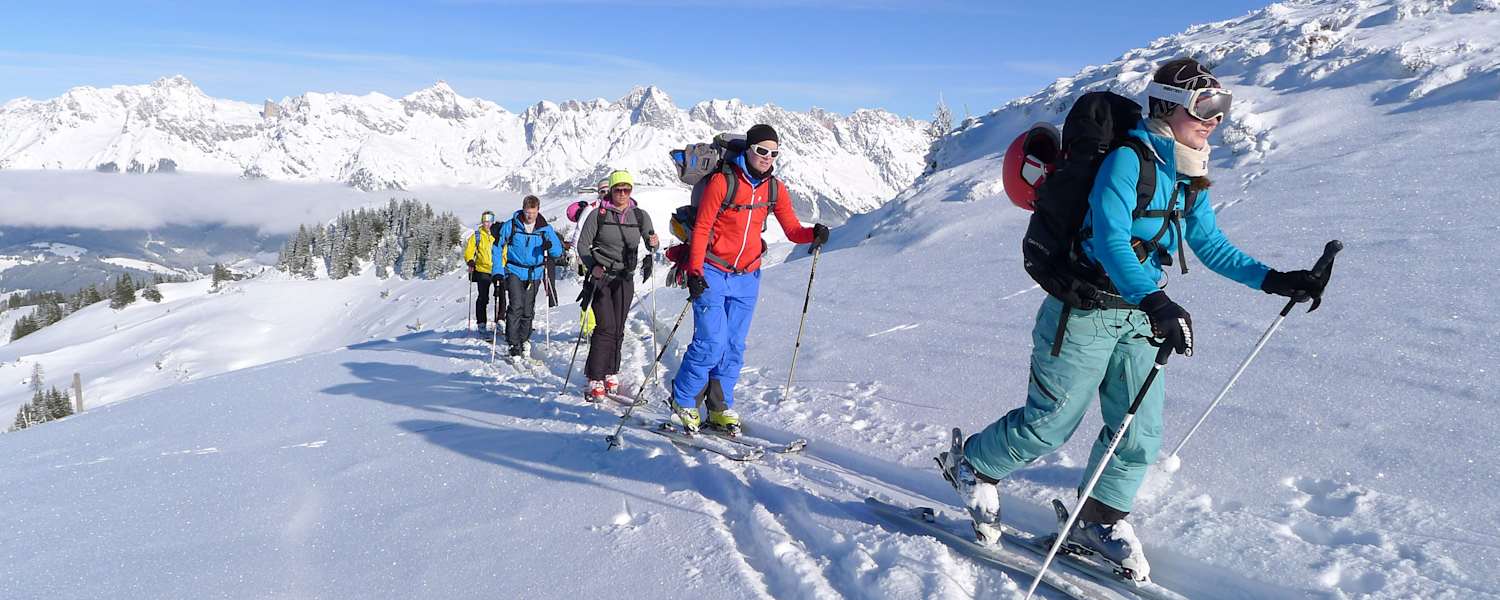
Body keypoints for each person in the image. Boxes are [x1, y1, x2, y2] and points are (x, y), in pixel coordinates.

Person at [939, 58, 1330, 581]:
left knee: (1139, 432)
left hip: (1139, 315)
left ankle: (1098, 519)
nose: (1215, 118)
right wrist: (1156, 301)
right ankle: (973, 466)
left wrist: (1276, 279)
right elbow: (1109, 237)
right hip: (1084, 311)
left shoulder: (1187, 172)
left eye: (1222, 107)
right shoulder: (1129, 160)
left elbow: (1208, 243)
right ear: (1168, 105)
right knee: (1051, 423)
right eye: (1205, 107)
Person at [669, 124, 829, 435]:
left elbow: (793, 230)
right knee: (710, 342)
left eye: (773, 153)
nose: (767, 157)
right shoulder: (722, 182)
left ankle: (719, 407)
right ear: (749, 150)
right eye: (761, 150)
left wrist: (814, 233)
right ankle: (683, 400)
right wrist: (695, 272)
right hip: (713, 270)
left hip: (748, 276)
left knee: (733, 346)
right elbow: (701, 229)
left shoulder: (774, 189)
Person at [577, 170, 659, 401]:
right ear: (610, 191)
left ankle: (611, 371)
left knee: (619, 327)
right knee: (605, 327)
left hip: (625, 278)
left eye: (626, 189)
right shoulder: (598, 215)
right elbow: (583, 245)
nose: (622, 193)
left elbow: (651, 241)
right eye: (617, 189)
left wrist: (654, 242)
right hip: (602, 277)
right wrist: (593, 265)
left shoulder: (640, 216)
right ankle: (595, 376)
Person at [493, 195, 564, 358]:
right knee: (516, 305)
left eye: (533, 212)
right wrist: (497, 271)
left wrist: (550, 246)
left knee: (527, 309)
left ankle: (524, 339)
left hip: (535, 272)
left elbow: (558, 252)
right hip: (514, 270)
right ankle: (513, 343)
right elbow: (497, 247)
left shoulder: (545, 228)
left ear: (538, 210)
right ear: (523, 209)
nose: (529, 216)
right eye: (527, 212)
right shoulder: (511, 225)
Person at [462, 210, 499, 335]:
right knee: (483, 297)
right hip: (482, 269)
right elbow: (469, 251)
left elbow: (503, 249)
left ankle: (500, 321)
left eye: (489, 221)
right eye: (485, 221)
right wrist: (470, 260)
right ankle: (481, 323)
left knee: (499, 297)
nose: (487, 224)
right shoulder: (477, 236)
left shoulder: (497, 235)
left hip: (496, 269)